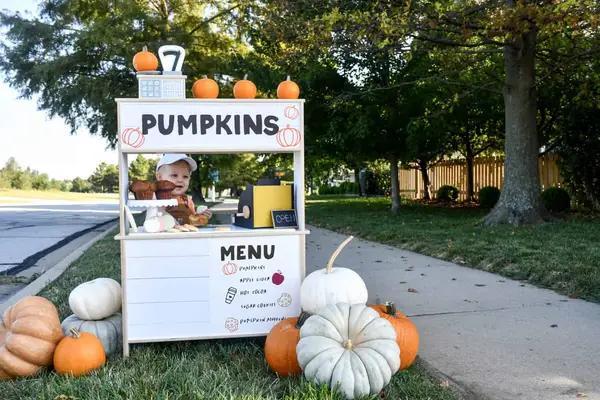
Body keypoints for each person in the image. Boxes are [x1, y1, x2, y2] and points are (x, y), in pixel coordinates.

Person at [155, 153, 212, 223]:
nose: (180, 180)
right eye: (174, 175)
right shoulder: (155, 200)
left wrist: (201, 217)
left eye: (185, 176)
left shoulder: (187, 201)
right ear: (159, 177)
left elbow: (192, 220)